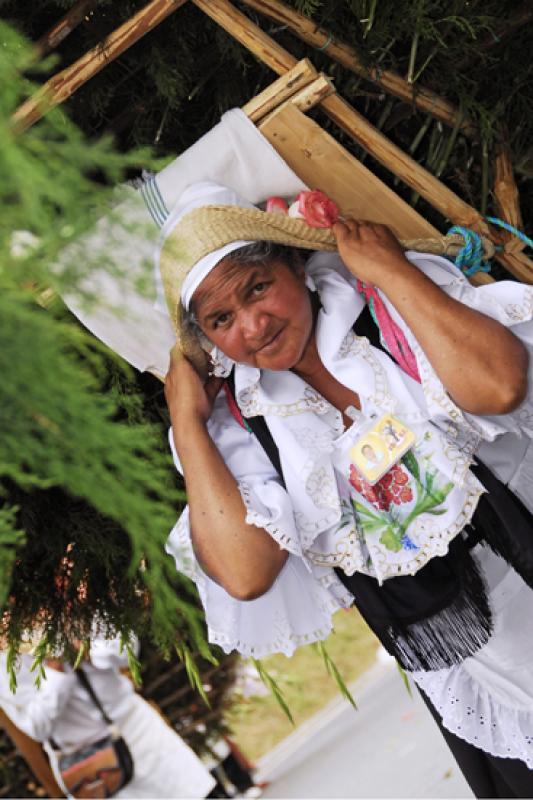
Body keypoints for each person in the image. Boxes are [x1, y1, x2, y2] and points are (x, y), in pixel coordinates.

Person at [160, 181, 533, 798]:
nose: (252, 326)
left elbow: (499, 388)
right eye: (220, 320)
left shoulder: (386, 301)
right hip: (476, 668)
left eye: (258, 287)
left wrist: (390, 268)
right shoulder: (241, 424)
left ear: (295, 264)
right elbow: (245, 572)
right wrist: (186, 418)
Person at [0, 635, 216, 799]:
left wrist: (87, 648)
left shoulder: (65, 593)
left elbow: (127, 648)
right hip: (91, 771)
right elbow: (36, 727)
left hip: (142, 738)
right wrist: (56, 672)